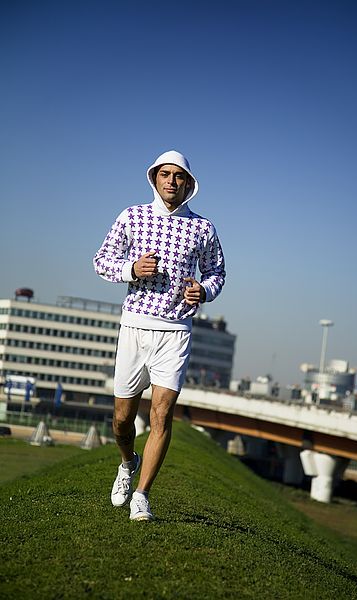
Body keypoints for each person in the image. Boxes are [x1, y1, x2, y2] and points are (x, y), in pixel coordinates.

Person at [93, 150, 225, 521]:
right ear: (155, 178)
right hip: (134, 326)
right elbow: (101, 259)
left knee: (162, 416)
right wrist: (131, 269)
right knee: (122, 419)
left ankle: (142, 496)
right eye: (165, 174)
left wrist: (204, 291)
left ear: (189, 184)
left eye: (178, 176)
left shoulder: (203, 228)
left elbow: (217, 272)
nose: (171, 181)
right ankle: (126, 461)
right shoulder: (131, 216)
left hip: (176, 331)